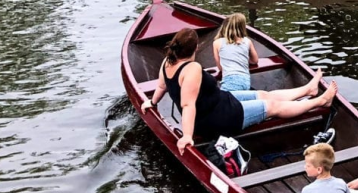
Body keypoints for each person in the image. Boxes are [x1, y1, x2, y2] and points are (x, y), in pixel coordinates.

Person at [143, 27, 337, 155]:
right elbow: (187, 105)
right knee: (272, 106)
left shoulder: (167, 62)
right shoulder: (191, 68)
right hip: (218, 118)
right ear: (196, 47)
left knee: (264, 94)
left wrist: (152, 102)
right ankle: (320, 102)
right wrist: (187, 135)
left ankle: (308, 89)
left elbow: (161, 87)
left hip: (221, 101)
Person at [213, 13, 258, 93]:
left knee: (222, 102)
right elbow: (255, 61)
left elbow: (220, 67)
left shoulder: (217, 43)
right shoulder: (247, 41)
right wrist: (243, 60)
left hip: (230, 80)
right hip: (245, 80)